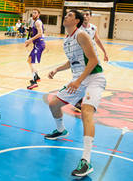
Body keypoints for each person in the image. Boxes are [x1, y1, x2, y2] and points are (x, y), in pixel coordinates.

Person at [45, 10, 106, 177]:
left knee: (86, 111)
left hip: (94, 78)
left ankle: (86, 161)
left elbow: (93, 61)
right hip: (79, 79)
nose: (66, 16)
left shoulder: (82, 35)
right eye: (66, 14)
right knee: (53, 104)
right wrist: (57, 69)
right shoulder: (67, 40)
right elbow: (72, 61)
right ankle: (61, 130)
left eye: (70, 15)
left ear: (77, 21)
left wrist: (78, 81)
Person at [73, 9, 109, 111]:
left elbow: (97, 40)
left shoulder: (93, 28)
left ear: (90, 16)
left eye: (87, 14)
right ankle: (78, 101)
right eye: (83, 14)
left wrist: (105, 52)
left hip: (90, 57)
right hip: (80, 57)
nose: (85, 16)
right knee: (81, 78)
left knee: (90, 77)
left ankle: (87, 99)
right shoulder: (77, 28)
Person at [24, 9, 45, 90]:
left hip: (39, 44)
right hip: (37, 44)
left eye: (35, 13)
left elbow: (40, 33)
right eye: (32, 12)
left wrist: (29, 40)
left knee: (32, 61)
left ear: (38, 14)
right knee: (29, 60)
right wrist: (30, 41)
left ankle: (34, 82)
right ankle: (36, 76)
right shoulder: (35, 22)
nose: (33, 14)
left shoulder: (38, 22)